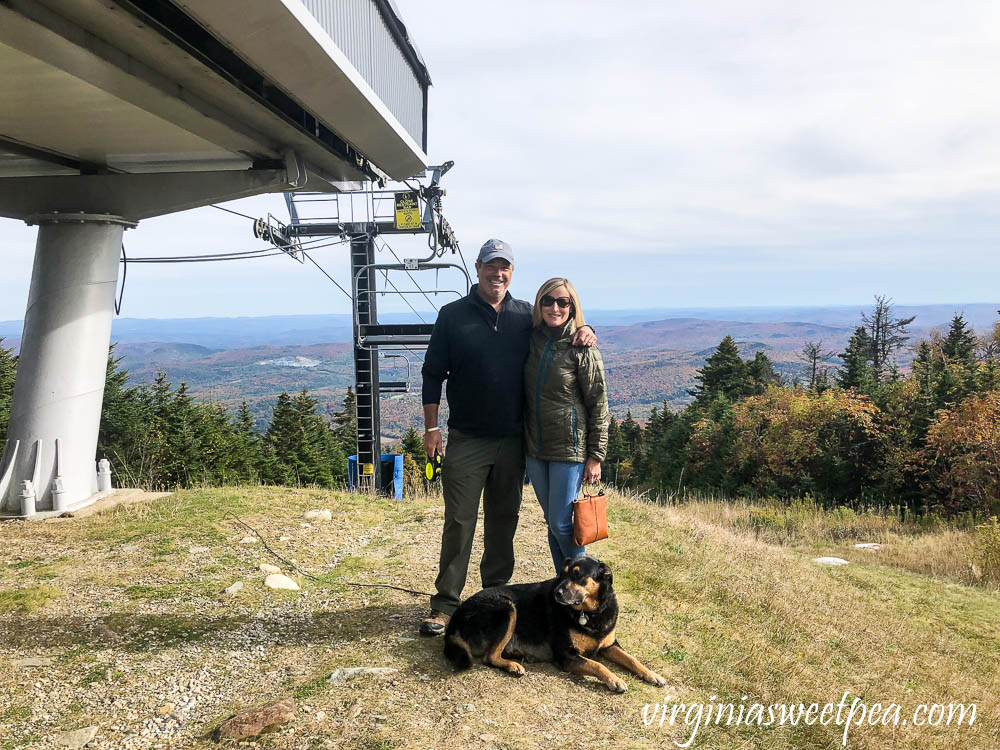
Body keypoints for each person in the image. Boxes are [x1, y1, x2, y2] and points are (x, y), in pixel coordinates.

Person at [419, 239, 595, 636]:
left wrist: (586, 328)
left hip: (514, 440)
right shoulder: (452, 316)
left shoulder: (524, 317)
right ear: (477, 268)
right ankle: (446, 604)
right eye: (491, 266)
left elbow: (559, 328)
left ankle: (494, 597)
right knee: (459, 522)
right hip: (465, 437)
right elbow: (433, 374)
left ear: (511, 273)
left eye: (505, 268)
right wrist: (431, 428)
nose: (498, 274)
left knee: (503, 521)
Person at [523, 278, 609, 574]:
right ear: (539, 303)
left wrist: (595, 456)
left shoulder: (582, 347)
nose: (555, 307)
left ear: (573, 306)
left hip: (569, 449)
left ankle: (587, 584)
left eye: (563, 302)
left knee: (561, 522)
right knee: (553, 521)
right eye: (548, 300)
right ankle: (564, 586)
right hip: (534, 447)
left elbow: (599, 405)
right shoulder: (533, 337)